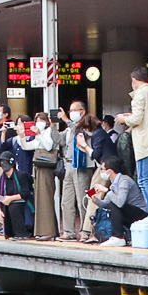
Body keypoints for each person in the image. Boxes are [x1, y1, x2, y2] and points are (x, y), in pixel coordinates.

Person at [118, 67, 148, 225]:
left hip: (146, 143)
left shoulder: (140, 94)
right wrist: (131, 116)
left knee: (144, 181)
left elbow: (137, 119)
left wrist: (124, 119)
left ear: (134, 79)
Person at [58, 102, 96, 241]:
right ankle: (68, 231)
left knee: (82, 200)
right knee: (66, 201)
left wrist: (66, 120)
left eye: (74, 110)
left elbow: (80, 131)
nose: (71, 113)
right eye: (70, 110)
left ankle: (86, 231)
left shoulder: (87, 123)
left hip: (82, 165)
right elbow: (58, 141)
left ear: (83, 111)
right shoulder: (69, 128)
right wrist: (52, 125)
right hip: (68, 164)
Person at [18, 114, 58, 239]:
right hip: (38, 166)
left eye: (41, 120)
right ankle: (42, 230)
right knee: (39, 199)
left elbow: (49, 146)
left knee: (46, 198)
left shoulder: (49, 131)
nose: (39, 122)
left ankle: (49, 231)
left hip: (46, 167)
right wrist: (22, 136)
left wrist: (39, 133)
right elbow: (27, 146)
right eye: (37, 120)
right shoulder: (39, 134)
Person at [91, 161, 148, 247]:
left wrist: (107, 191)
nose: (101, 172)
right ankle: (119, 236)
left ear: (110, 171)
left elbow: (119, 203)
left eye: (102, 169)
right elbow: (106, 205)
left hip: (140, 212)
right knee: (111, 205)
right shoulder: (113, 184)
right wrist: (95, 199)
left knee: (114, 204)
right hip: (128, 212)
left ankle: (118, 237)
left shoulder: (124, 181)